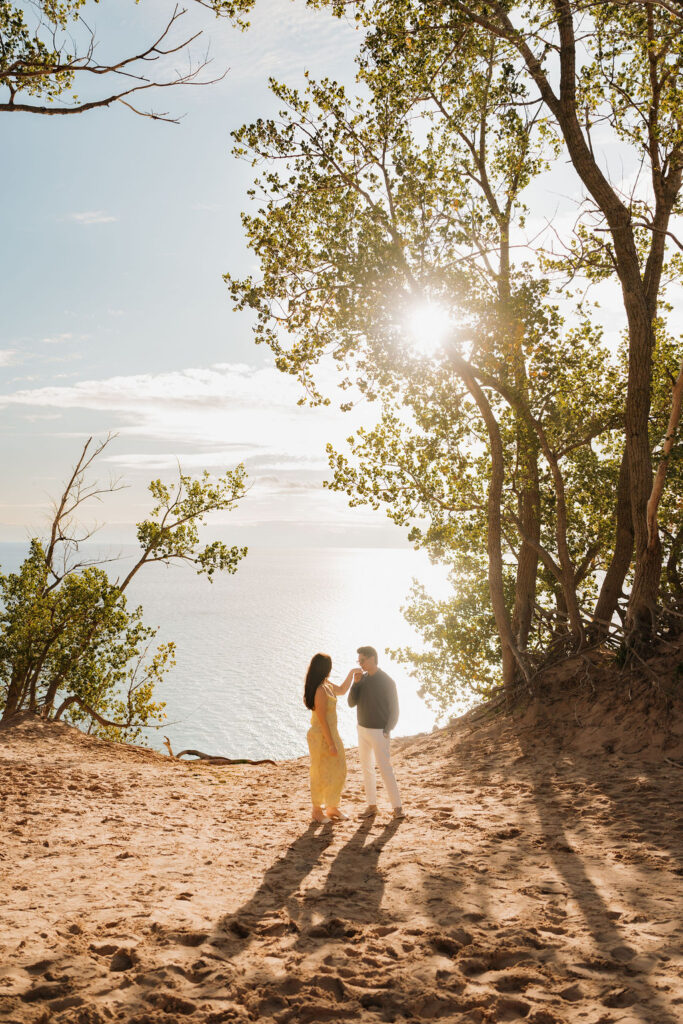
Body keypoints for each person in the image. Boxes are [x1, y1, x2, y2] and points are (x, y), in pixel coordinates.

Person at [348, 645, 404, 819]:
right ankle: (372, 806)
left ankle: (398, 809)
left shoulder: (387, 681)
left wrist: (387, 730)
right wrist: (355, 684)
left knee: (385, 769)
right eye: (359, 661)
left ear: (372, 659)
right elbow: (351, 703)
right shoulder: (361, 680)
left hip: (379, 732)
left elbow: (394, 710)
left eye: (362, 660)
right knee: (367, 769)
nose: (360, 664)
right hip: (362, 730)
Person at [304, 653, 360, 823]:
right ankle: (316, 810)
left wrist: (351, 674)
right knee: (320, 772)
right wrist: (331, 744)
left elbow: (342, 690)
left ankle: (332, 807)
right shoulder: (320, 690)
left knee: (339, 769)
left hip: (331, 733)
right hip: (321, 736)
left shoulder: (326, 685)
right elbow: (321, 719)